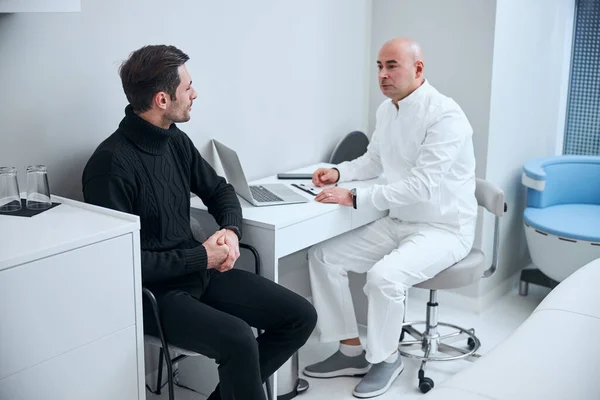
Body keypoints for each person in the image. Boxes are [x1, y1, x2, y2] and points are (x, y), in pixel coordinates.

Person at [82, 45, 317, 400]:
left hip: (199, 276)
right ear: (162, 99)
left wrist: (231, 232)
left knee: (300, 316)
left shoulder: (174, 140)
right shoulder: (110, 166)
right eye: (188, 87)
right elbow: (124, 265)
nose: (195, 93)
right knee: (239, 339)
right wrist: (202, 257)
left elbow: (220, 191)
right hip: (154, 296)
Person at [303, 38, 478, 398]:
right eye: (379, 66)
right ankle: (351, 351)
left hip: (443, 228)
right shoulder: (388, 111)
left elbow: (422, 186)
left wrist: (354, 196)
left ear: (418, 68)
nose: (383, 74)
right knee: (323, 257)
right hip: (399, 221)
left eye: (392, 66)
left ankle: (387, 359)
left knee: (383, 278)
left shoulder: (446, 115)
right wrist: (338, 173)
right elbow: (374, 161)